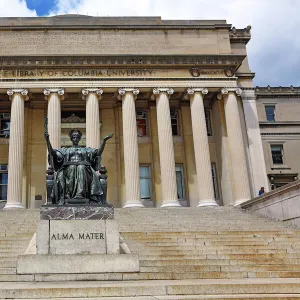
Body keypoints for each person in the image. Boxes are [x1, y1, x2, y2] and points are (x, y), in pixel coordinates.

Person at [44, 129, 113, 205]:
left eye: (77, 137)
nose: (75, 139)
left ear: (79, 138)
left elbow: (98, 153)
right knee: (72, 167)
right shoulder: (65, 150)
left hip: (84, 168)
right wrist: (47, 140)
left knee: (81, 167)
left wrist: (104, 141)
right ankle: (69, 195)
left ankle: (80, 194)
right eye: (74, 137)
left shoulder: (86, 150)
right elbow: (52, 153)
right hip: (68, 168)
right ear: (71, 138)